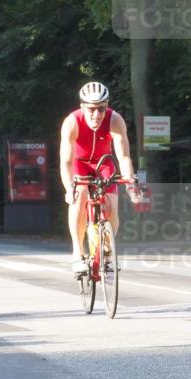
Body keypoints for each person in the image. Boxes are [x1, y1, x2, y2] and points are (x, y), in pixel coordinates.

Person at [60, 81, 140, 275]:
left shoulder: (115, 120)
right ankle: (78, 253)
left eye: (102, 109)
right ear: (82, 107)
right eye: (92, 109)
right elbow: (66, 163)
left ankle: (107, 252)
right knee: (79, 197)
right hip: (80, 164)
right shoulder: (72, 122)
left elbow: (123, 156)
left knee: (111, 205)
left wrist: (130, 184)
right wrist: (68, 189)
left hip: (104, 163)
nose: (97, 114)